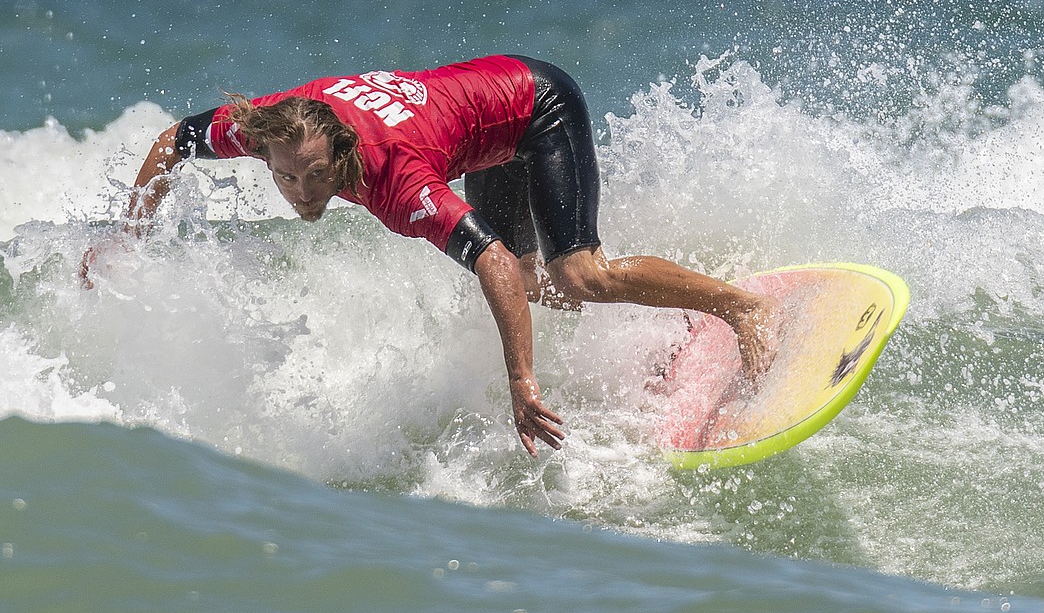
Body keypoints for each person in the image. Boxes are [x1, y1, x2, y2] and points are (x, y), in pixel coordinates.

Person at [81, 55, 778, 456]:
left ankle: (741, 307)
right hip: (485, 127)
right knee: (537, 287)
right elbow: (173, 140)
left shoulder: (397, 181)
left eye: (318, 175)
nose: (302, 191)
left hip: (537, 106)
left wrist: (523, 385)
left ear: (344, 154)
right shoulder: (270, 128)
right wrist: (128, 233)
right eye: (288, 176)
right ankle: (676, 324)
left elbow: (492, 262)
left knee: (578, 273)